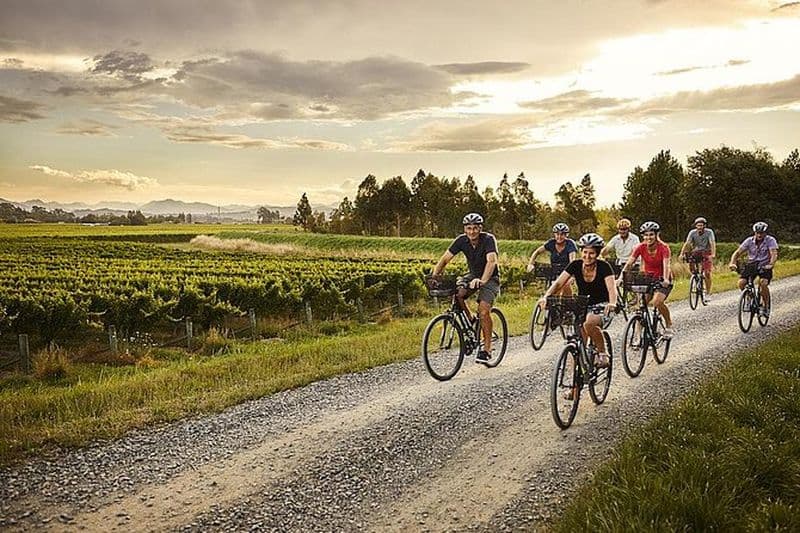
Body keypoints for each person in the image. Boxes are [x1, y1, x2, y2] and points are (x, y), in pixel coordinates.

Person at [538, 233, 618, 368]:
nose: (587, 256)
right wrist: (546, 296)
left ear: (597, 254)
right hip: (582, 305)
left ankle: (603, 352)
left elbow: (612, 288)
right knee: (578, 346)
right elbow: (558, 283)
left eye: (591, 253)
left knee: (589, 324)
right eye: (585, 252)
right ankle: (576, 385)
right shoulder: (575, 265)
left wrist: (612, 303)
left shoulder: (604, 267)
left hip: (601, 306)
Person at [432, 212, 500, 365]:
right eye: (469, 228)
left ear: (480, 228)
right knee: (458, 293)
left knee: (483, 311)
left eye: (475, 228)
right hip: (473, 275)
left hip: (490, 278)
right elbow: (445, 259)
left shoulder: (489, 239)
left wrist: (482, 280)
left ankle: (487, 349)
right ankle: (471, 320)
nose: (472, 232)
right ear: (465, 229)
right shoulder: (461, 241)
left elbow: (491, 261)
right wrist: (434, 277)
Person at [619, 221, 675, 338]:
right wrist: (621, 278)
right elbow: (629, 263)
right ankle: (638, 336)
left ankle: (669, 324)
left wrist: (665, 279)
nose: (648, 237)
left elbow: (667, 265)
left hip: (662, 279)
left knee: (657, 302)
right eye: (645, 235)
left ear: (656, 235)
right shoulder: (640, 247)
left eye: (651, 234)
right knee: (640, 307)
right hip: (648, 279)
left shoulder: (663, 248)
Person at [728, 221, 778, 318]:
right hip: (752, 265)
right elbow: (737, 252)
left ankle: (765, 306)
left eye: (761, 233)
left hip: (764, 265)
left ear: (765, 233)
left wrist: (771, 264)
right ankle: (749, 298)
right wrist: (732, 262)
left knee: (763, 283)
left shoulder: (770, 240)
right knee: (741, 283)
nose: (759, 235)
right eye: (757, 233)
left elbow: (773, 253)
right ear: (754, 232)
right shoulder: (749, 241)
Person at [527, 223, 577, 295]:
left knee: (566, 286)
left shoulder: (570, 244)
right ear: (554, 234)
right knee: (554, 292)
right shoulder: (551, 243)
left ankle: (569, 303)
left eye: (562, 234)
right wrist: (530, 263)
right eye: (557, 234)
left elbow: (572, 261)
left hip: (566, 271)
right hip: (554, 271)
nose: (559, 237)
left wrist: (571, 275)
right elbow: (537, 251)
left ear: (566, 235)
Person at [679, 216, 716, 301]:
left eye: (701, 225)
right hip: (696, 251)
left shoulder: (709, 232)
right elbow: (687, 243)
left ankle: (708, 293)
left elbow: (712, 243)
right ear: (696, 226)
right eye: (698, 225)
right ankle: (695, 277)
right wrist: (682, 254)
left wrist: (713, 254)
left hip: (707, 252)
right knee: (691, 261)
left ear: (704, 226)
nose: (699, 227)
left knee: (707, 272)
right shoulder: (692, 233)